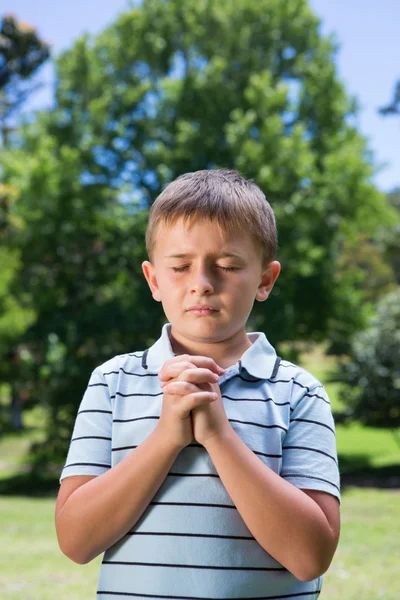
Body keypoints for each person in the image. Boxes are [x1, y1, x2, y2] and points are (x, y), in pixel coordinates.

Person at [56, 169, 340, 600]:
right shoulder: (112, 383)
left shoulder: (300, 393)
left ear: (265, 280)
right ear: (153, 280)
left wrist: (218, 435)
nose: (202, 283)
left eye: (226, 265)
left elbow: (310, 557)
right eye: (180, 266)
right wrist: (167, 437)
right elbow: (76, 542)